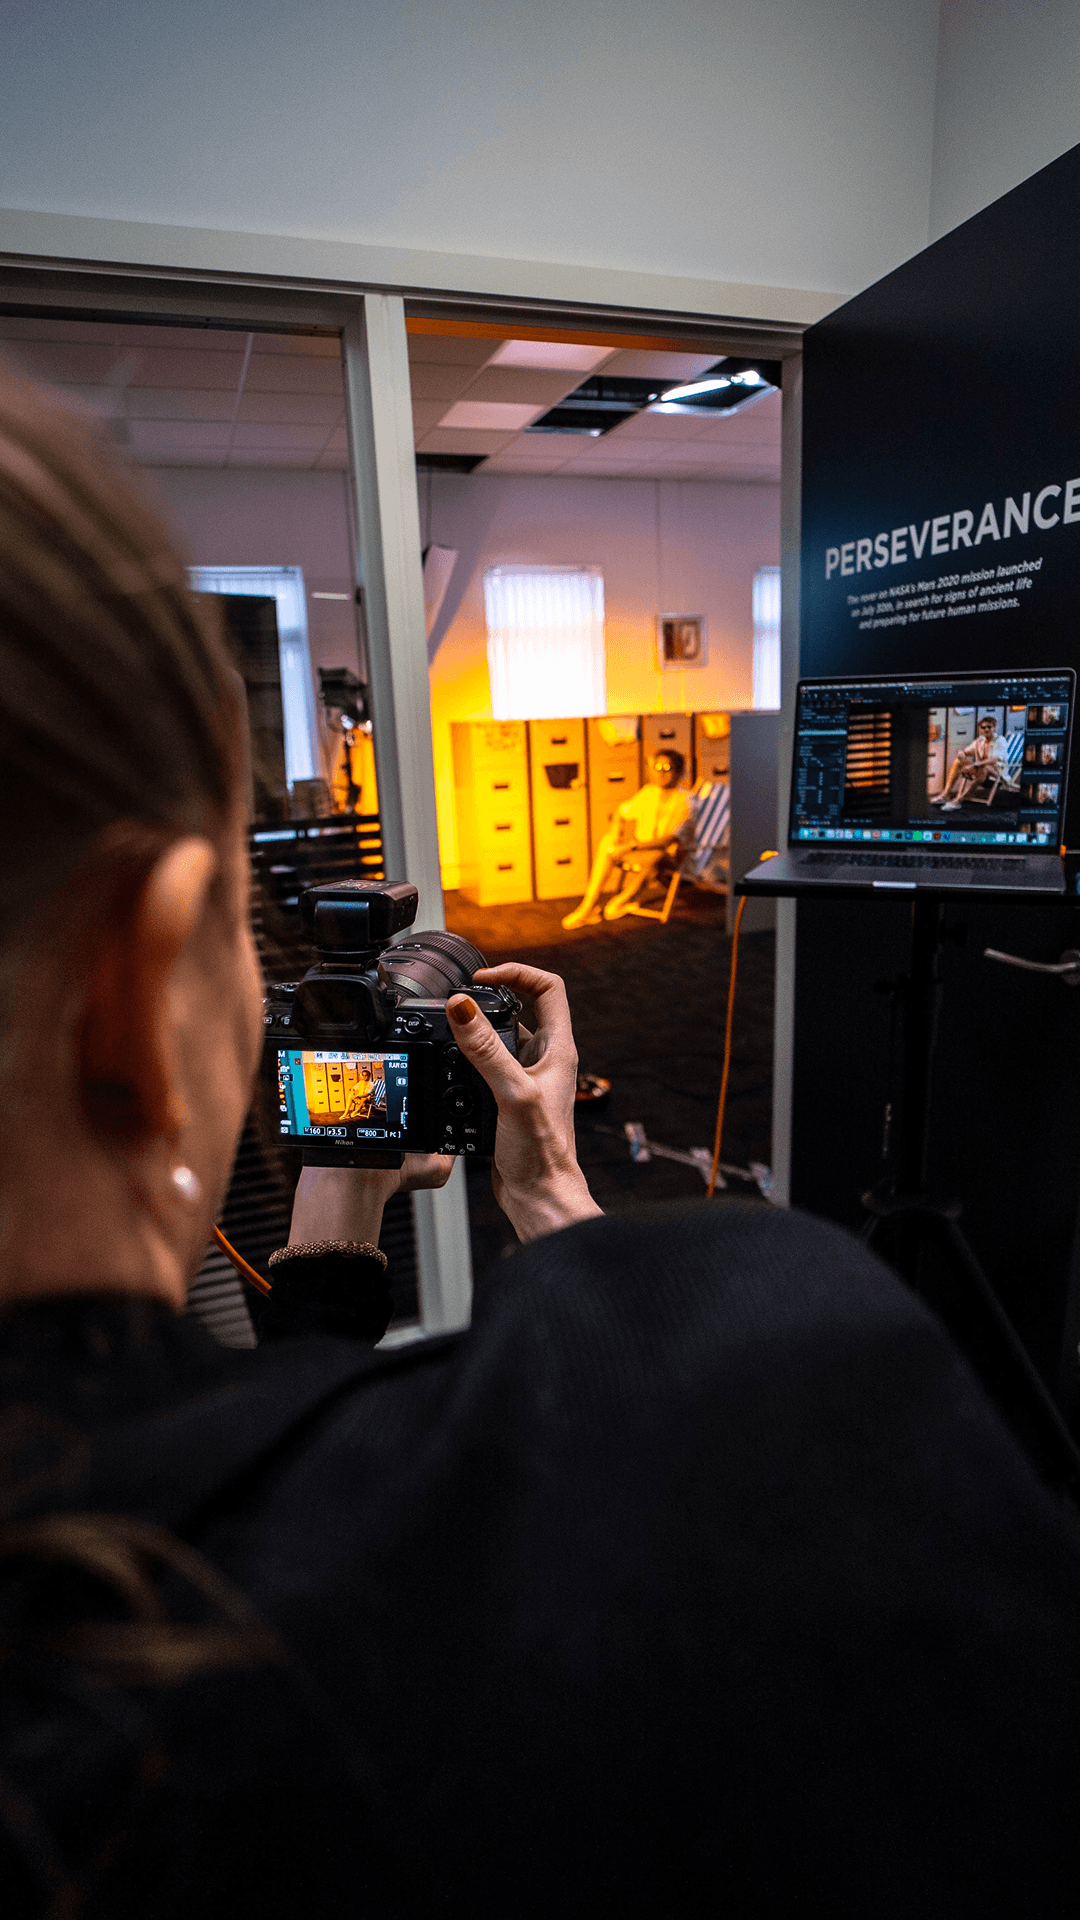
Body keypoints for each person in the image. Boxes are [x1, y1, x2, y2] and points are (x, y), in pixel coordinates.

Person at [2, 359, 1080, 1919]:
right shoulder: (770, 1355)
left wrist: (330, 1241)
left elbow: (252, 1457)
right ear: (134, 976)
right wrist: (561, 1195)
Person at [561, 750, 691, 928]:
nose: (661, 772)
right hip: (639, 849)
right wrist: (616, 830)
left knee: (656, 857)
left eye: (667, 768)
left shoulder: (685, 800)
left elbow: (669, 839)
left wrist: (631, 846)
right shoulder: (649, 792)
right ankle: (587, 907)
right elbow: (621, 812)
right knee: (607, 842)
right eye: (657, 767)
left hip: (666, 855)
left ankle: (622, 900)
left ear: (679, 772)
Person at [931, 713, 1010, 809]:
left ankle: (958, 801)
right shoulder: (980, 741)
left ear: (995, 728)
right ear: (980, 729)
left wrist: (975, 764)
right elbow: (966, 751)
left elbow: (994, 759)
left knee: (984, 767)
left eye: (989, 727)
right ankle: (946, 794)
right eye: (983, 727)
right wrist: (961, 754)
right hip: (980, 771)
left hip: (996, 774)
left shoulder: (1000, 740)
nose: (986, 729)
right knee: (958, 761)